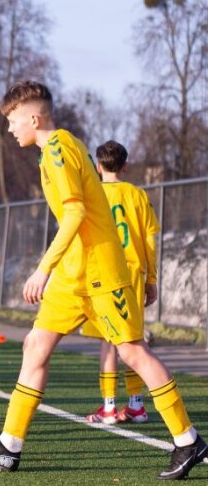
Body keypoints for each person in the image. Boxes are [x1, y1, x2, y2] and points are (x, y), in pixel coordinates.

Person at [0, 80, 205, 479]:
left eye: (13, 120)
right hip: (75, 274)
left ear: (33, 119)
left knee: (133, 352)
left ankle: (188, 440)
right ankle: (9, 446)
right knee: (35, 345)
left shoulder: (58, 148)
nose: (10, 128)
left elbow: (75, 213)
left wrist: (43, 268)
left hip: (101, 270)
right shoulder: (60, 147)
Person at [83, 140, 160, 425]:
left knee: (109, 341)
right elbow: (150, 241)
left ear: (98, 166)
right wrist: (151, 279)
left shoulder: (92, 195)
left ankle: (109, 407)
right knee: (133, 339)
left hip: (104, 274)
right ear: (125, 166)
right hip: (134, 275)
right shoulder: (137, 195)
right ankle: (136, 404)